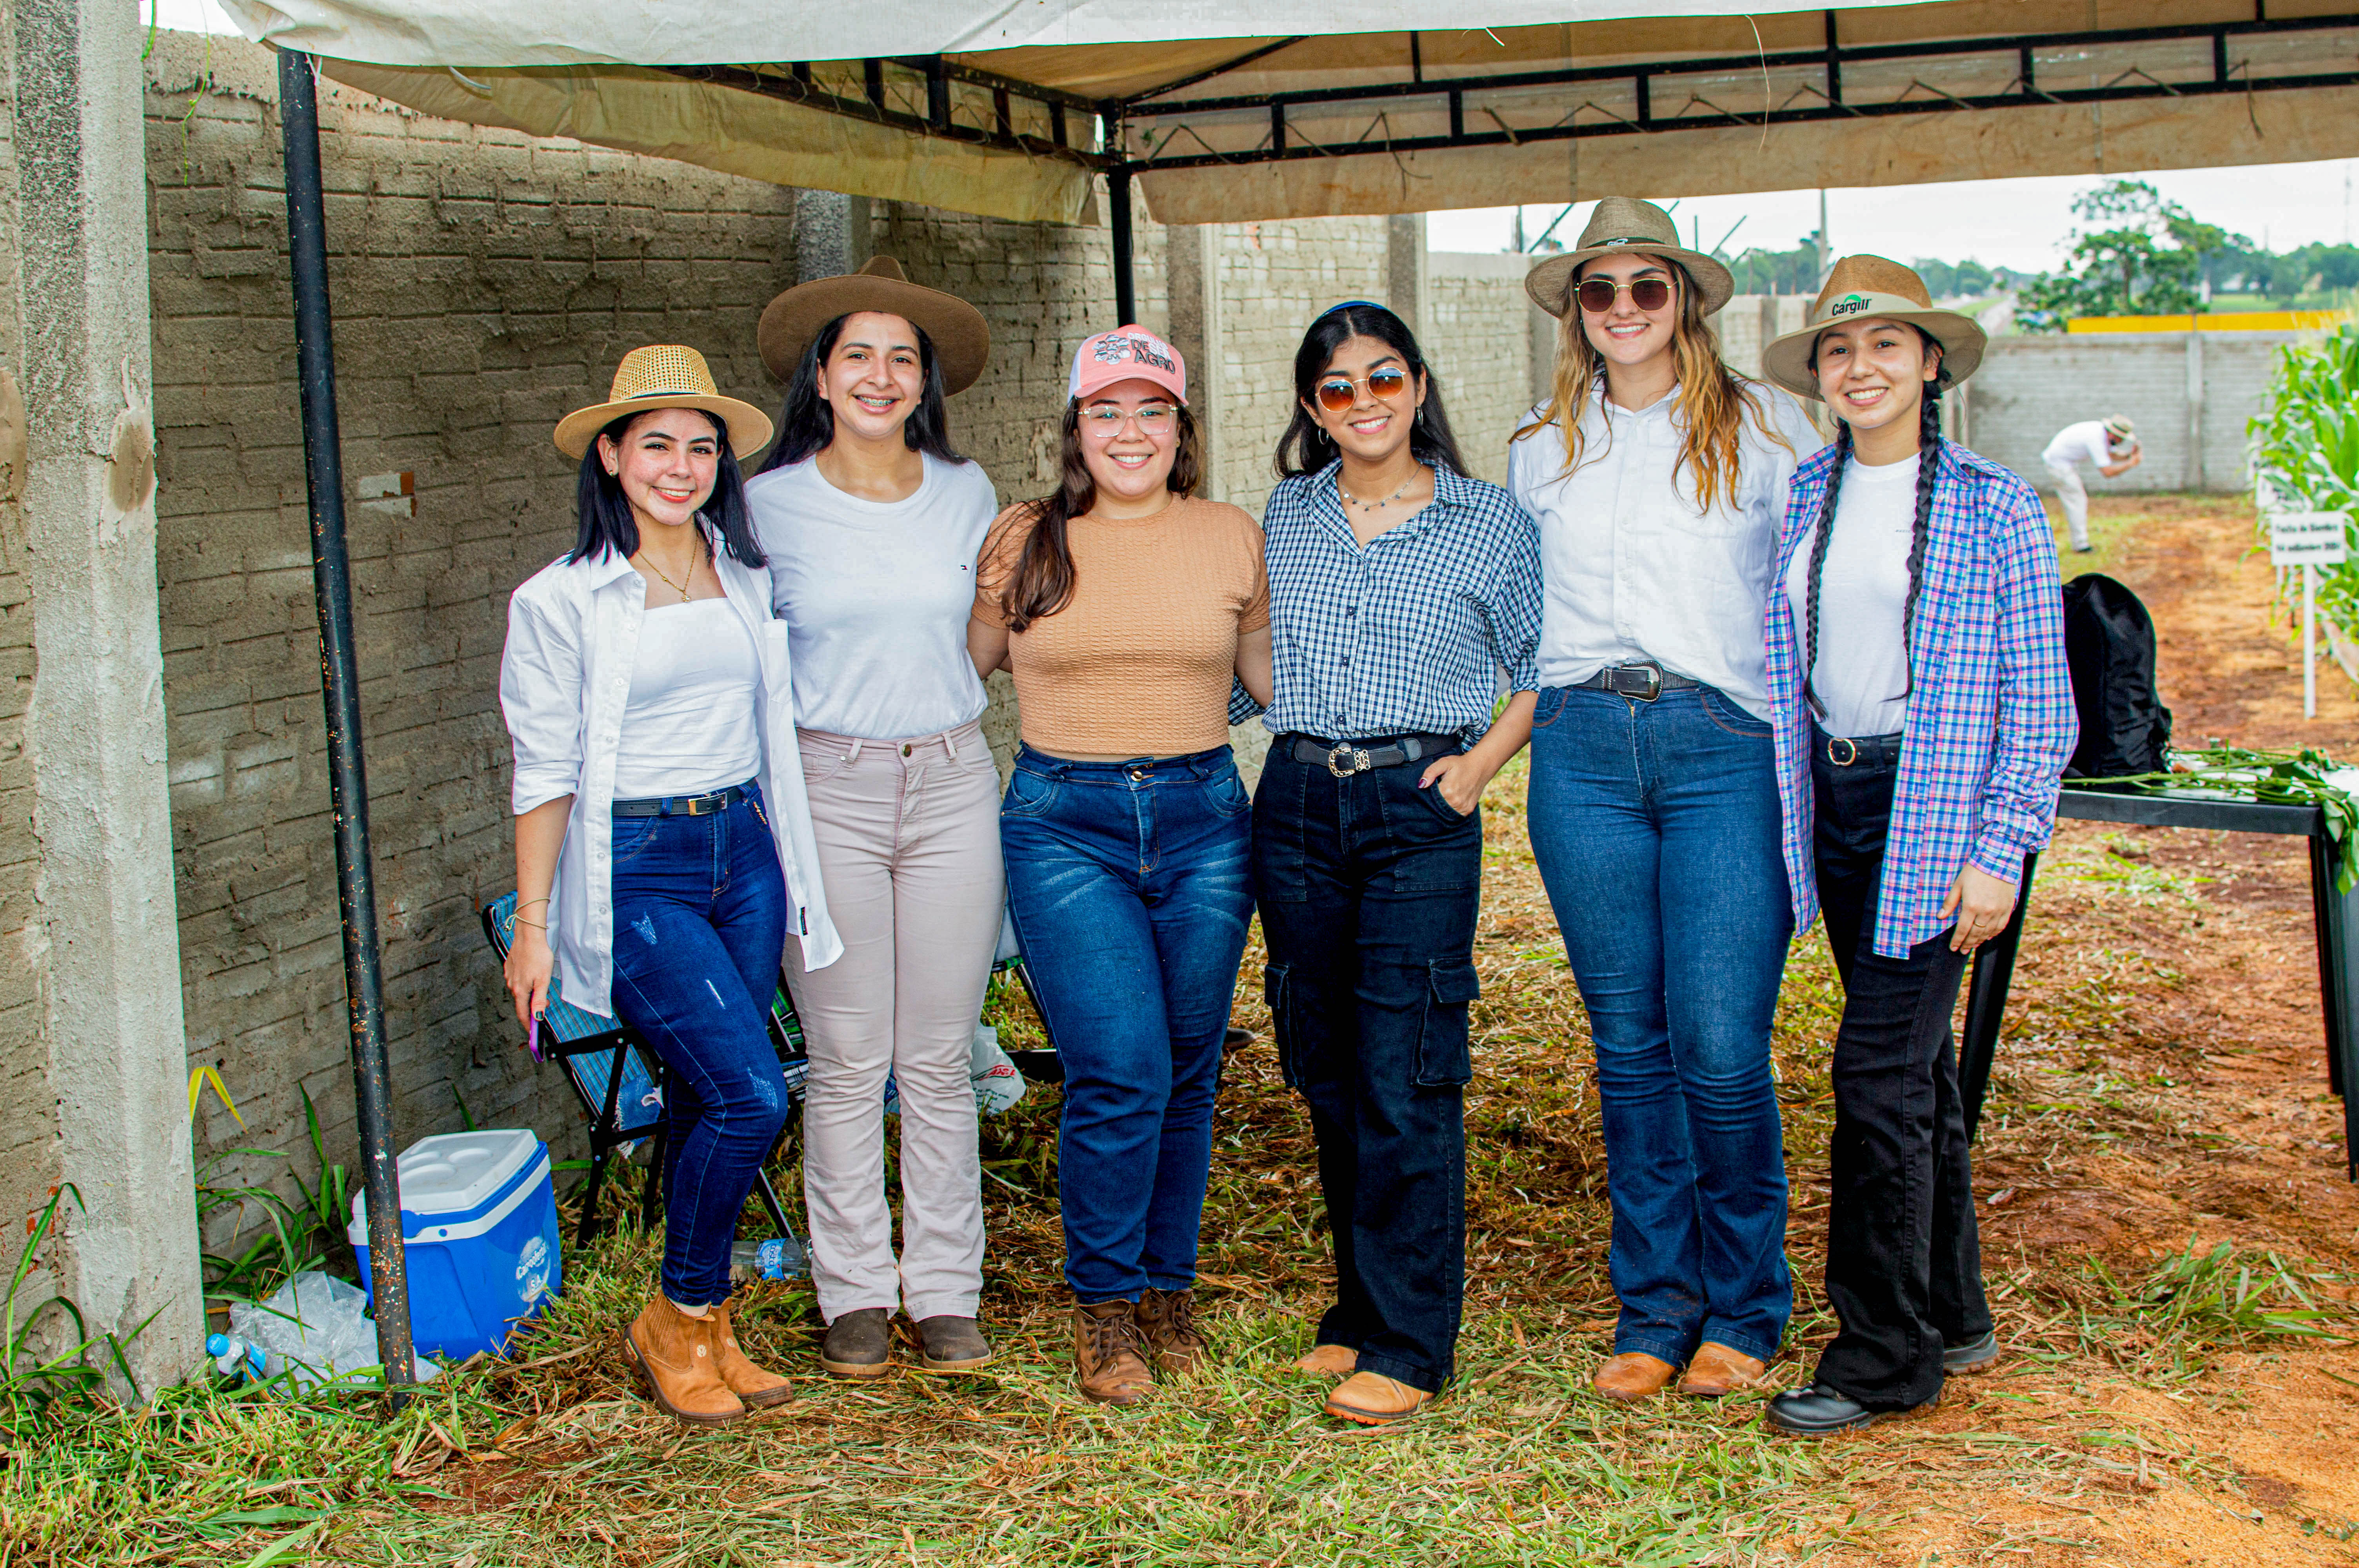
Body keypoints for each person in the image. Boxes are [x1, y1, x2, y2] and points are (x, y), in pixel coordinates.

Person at [1508, 197, 1824, 1403]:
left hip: (1720, 744)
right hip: (1582, 745)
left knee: (1718, 1044)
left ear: (1684, 300)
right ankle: (1653, 1307)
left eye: (1649, 287)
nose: (1626, 309)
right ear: (1576, 311)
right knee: (1628, 1047)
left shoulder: (1773, 428)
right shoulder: (1542, 445)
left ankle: (1746, 1304)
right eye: (1602, 290)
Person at [1755, 256, 2075, 1434]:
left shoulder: (1994, 505)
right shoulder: (1806, 493)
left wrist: (2002, 848)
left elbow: (2041, 703)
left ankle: (1884, 1354)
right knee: (1919, 1069)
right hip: (1836, 801)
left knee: (1873, 1077)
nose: (1861, 367)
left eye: (1886, 345)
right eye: (1839, 350)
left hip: (1934, 810)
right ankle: (1953, 1307)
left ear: (1929, 362)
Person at [500, 345, 839, 1426]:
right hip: (634, 864)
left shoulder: (743, 577)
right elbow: (544, 772)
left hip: (740, 844)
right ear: (610, 456)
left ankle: (707, 1327)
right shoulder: (559, 602)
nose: (681, 467)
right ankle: (676, 1314)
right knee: (752, 1092)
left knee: (706, 1096)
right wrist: (536, 927)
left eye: (701, 448)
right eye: (657, 445)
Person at [967, 325, 1273, 1406]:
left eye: (1152, 410)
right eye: (1108, 410)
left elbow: (1274, 684)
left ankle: (1167, 1289)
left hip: (1203, 817)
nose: (1129, 431)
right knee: (1120, 1068)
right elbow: (960, 676)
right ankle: (1104, 1310)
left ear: (1181, 429)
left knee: (1188, 1073)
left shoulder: (1233, 536)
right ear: (1076, 427)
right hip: (1065, 822)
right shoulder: (1025, 538)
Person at [1253, 301, 1543, 1426]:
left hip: (1420, 801)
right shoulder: (1285, 513)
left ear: (1417, 389)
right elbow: (1241, 650)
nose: (1363, 402)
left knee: (1409, 1065)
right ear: (1313, 410)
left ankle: (1414, 1342)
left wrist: (1477, 770)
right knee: (1326, 1064)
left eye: (1382, 380)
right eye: (1338, 387)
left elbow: (1536, 665)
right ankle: (1359, 1311)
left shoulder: (1489, 522)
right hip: (1296, 798)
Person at [745, 257, 1003, 1377]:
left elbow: (992, 633)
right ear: (820, 375)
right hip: (825, 789)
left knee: (938, 1056)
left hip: (950, 780)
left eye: (904, 358)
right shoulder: (763, 504)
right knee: (850, 1056)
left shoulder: (969, 491)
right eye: (859, 354)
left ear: (925, 382)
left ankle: (946, 1292)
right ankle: (853, 1291)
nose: (882, 375)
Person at [2040, 416, 2139, 553]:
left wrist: (2129, 456)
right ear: (2114, 434)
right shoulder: (2096, 438)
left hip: (2063, 464)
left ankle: (2080, 542)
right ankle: (2081, 545)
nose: (2121, 442)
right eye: (2121, 438)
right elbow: (2108, 472)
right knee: (2077, 502)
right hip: (2059, 466)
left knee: (2078, 500)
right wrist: (2130, 464)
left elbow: (2110, 455)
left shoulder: (2100, 433)